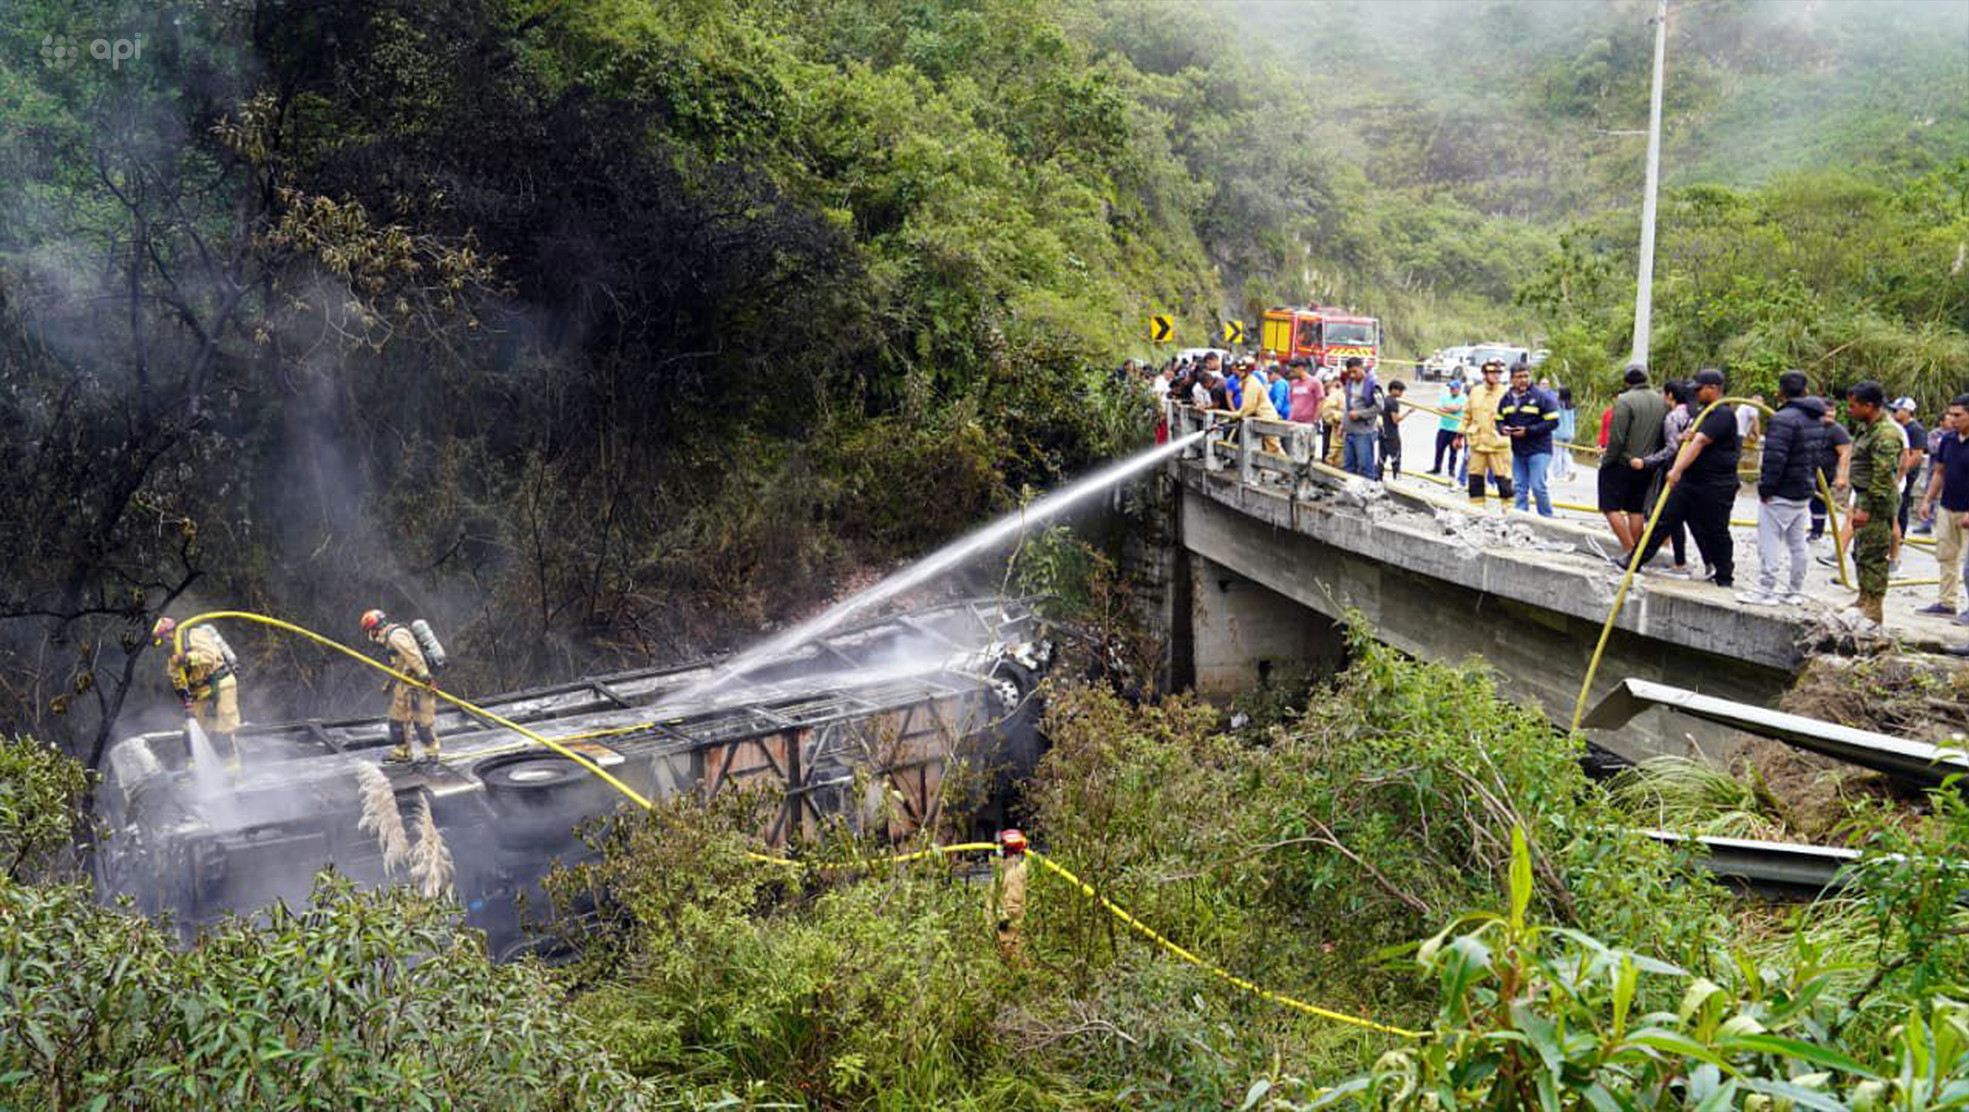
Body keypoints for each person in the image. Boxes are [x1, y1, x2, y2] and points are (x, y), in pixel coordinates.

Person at [1628, 370, 1740, 588]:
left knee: (1715, 529)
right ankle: (1633, 560)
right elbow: (1691, 438)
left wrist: (1676, 469)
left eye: (1700, 389)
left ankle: (1724, 574)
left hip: (1715, 484)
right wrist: (1684, 438)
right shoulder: (1704, 412)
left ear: (1713, 389)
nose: (1696, 393)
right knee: (1663, 520)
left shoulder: (1722, 414)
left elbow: (1699, 442)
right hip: (1692, 482)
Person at [1739, 371, 1828, 606]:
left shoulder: (1782, 419)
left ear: (1781, 392)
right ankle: (1795, 591)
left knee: (1769, 541)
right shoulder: (1817, 418)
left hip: (1781, 492)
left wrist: (1766, 489)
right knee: (1798, 544)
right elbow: (1817, 456)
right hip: (1803, 490)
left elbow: (1775, 459)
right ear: (1806, 390)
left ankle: (1765, 590)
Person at [1843, 382, 1901, 625]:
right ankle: (1863, 597)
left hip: (1876, 504)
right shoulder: (1866, 428)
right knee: (1861, 551)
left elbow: (1883, 477)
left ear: (1869, 406)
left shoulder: (1886, 434)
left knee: (1874, 555)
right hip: (1864, 497)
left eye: (1853, 405)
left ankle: (1874, 608)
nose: (1849, 410)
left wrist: (1866, 509)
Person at [153, 616, 243, 770]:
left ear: (170, 633)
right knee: (191, 727)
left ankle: (231, 767)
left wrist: (187, 659)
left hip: (220, 681)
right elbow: (177, 681)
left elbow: (210, 658)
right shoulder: (173, 659)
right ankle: (194, 766)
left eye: (163, 638)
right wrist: (185, 700)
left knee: (225, 721)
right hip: (198, 690)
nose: (164, 643)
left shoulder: (195, 635)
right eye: (160, 641)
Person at [1601, 363, 1668, 557]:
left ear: (1626, 380)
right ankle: (1638, 554)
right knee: (1635, 509)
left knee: (1610, 507)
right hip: (1647, 465)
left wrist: (1607, 461)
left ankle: (1630, 551)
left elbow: (1617, 438)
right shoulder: (1660, 401)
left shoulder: (1625, 401)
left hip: (1623, 463)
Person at [362, 608, 441, 763]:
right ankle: (402, 752)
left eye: (369, 632)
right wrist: (390, 684)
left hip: (418, 684)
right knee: (396, 719)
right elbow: (398, 664)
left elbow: (413, 655)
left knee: (422, 721)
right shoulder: (388, 639)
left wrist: (425, 676)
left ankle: (431, 754)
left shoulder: (396, 635)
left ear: (374, 629)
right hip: (403, 684)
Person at [1917, 393, 1969, 622]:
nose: (1953, 419)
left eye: (1958, 415)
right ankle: (1947, 602)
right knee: (1946, 556)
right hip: (1948, 506)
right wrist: (1927, 499)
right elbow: (1940, 471)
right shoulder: (1948, 440)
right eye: (1951, 415)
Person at [1497, 362, 1559, 516]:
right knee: (1519, 487)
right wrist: (1502, 428)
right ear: (1511, 379)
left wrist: (1528, 431)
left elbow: (1553, 422)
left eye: (1526, 376)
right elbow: (1499, 419)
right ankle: (1520, 518)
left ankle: (1547, 520)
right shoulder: (1506, 399)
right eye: (1519, 377)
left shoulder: (1541, 397)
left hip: (1539, 450)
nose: (1523, 380)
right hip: (1519, 451)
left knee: (1538, 486)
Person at [1460, 359, 1514, 509]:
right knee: (1475, 479)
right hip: (1477, 444)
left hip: (1499, 445)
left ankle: (1508, 511)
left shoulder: (1507, 394)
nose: (1496, 376)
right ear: (1484, 374)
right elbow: (1467, 415)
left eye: (1499, 373)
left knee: (1504, 481)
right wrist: (1459, 435)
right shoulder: (1475, 392)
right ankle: (1476, 510)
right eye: (1492, 372)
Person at [1809, 402, 1852, 544]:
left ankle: (1817, 531)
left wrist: (1842, 476)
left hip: (1824, 473)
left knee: (1819, 502)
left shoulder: (1837, 430)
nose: (1831, 415)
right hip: (1807, 470)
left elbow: (1845, 453)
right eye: (1827, 412)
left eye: (1833, 412)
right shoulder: (1812, 425)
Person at [1338, 358, 1382, 479]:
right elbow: (1348, 406)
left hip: (1364, 432)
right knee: (1348, 465)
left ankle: (1368, 492)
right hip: (1350, 431)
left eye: (1354, 372)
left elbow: (1379, 407)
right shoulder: (1350, 383)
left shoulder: (1372, 385)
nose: (1352, 375)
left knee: (1365, 465)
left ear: (1361, 368)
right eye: (1349, 373)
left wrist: (1360, 414)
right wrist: (1342, 425)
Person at [1891, 397, 1926, 549]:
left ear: (1907, 412)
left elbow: (1917, 455)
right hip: (1897, 470)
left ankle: (1900, 538)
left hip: (1906, 473)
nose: (1893, 413)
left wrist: (1902, 472)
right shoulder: (1898, 427)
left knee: (1902, 504)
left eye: (1896, 410)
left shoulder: (1915, 429)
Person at [990, 828, 1029, 962]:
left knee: (1015, 964)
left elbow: (1014, 905)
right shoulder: (1006, 871)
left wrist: (1002, 920)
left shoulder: (1015, 873)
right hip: (1003, 934)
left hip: (1009, 935)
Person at [1234, 360, 1283, 454]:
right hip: (1259, 416)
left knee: (1273, 446)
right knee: (1264, 447)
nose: (1239, 373)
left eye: (1242, 370)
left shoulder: (1252, 384)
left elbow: (1248, 407)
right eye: (1238, 370)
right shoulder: (1245, 382)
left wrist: (1235, 415)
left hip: (1266, 416)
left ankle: (1286, 467)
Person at [1429, 377, 1467, 476]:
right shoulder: (1444, 397)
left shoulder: (1463, 398)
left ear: (1458, 389)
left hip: (1456, 429)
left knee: (1453, 452)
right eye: (1450, 388)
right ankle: (1437, 468)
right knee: (1439, 449)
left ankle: (1451, 470)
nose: (1451, 390)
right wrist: (1451, 409)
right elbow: (1438, 408)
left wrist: (1446, 408)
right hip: (1443, 428)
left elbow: (1457, 408)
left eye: (1453, 388)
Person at [1380, 380, 1409, 480]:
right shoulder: (1393, 402)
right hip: (1392, 434)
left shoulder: (1385, 400)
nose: (1401, 393)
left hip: (1382, 433)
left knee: (1381, 457)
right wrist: (1408, 413)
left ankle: (1378, 478)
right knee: (1396, 457)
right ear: (1393, 390)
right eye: (1400, 391)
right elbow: (1395, 420)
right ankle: (1397, 478)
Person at [1550, 386, 1578, 482]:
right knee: (1566, 452)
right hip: (1569, 432)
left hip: (1557, 433)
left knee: (1557, 454)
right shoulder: (1571, 406)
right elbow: (1572, 420)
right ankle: (1571, 469)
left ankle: (1558, 474)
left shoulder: (1557, 405)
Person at [1286, 359, 1323, 425]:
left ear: (1300, 368)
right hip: (1293, 420)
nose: (1291, 373)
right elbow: (1291, 401)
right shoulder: (1293, 383)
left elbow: (1320, 402)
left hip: (1308, 422)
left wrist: (1315, 420)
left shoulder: (1315, 382)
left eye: (1293, 371)